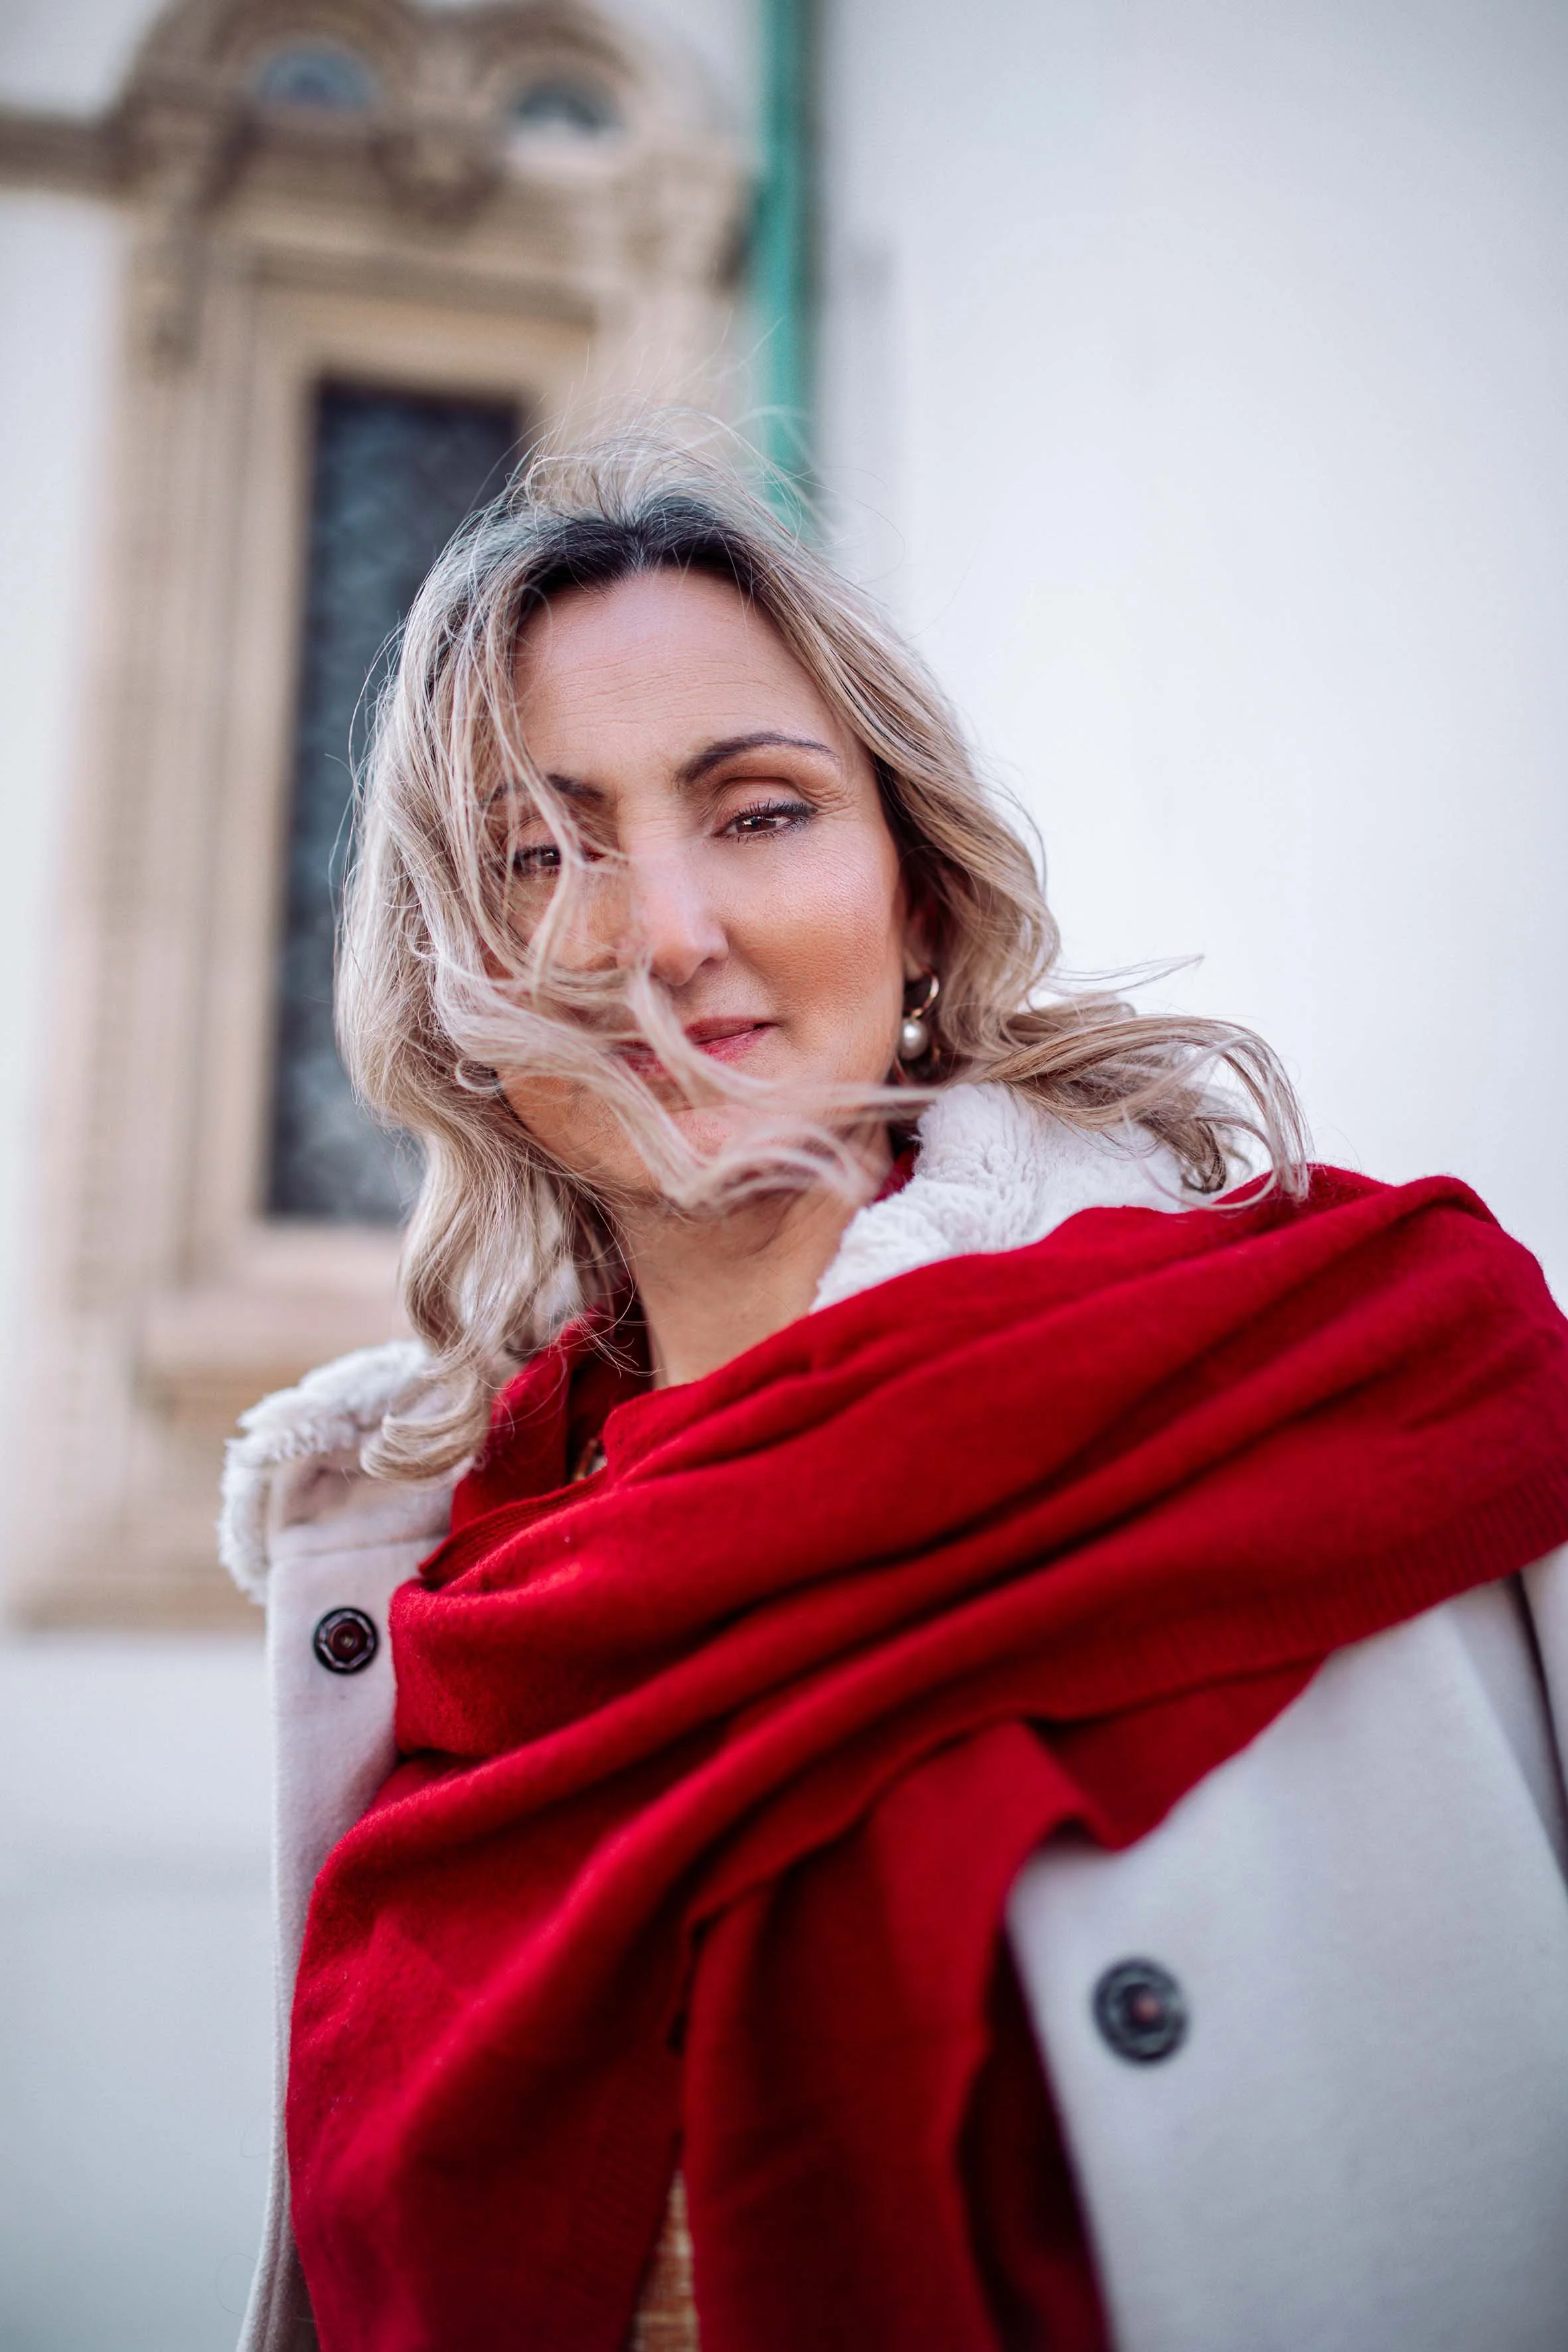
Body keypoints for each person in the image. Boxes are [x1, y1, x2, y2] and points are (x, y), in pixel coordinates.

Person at [223, 430, 1568, 2352]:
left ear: (918, 895)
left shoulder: (1346, 1379)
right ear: (449, 978)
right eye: (545, 849)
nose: (665, 933)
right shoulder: (428, 1588)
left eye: (759, 812)